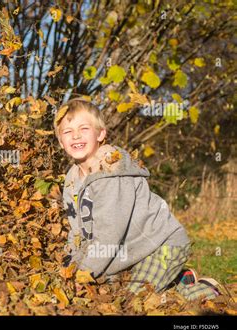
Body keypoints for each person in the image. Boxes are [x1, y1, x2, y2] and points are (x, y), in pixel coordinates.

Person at [55, 98, 222, 300]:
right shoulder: (72, 180)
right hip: (132, 251)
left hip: (162, 245)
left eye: (83, 128)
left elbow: (109, 235)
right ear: (61, 142)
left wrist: (82, 275)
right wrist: (68, 267)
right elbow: (77, 232)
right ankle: (180, 278)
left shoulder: (110, 172)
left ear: (101, 134)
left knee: (136, 300)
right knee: (107, 291)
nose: (76, 136)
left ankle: (206, 290)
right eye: (67, 132)